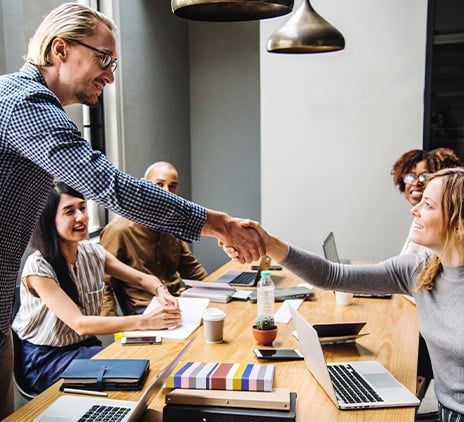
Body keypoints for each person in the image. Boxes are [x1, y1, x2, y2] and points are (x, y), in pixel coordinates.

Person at [0, 3, 263, 416]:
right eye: (103, 59)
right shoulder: (26, 103)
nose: (109, 74)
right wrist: (220, 224)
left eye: (114, 64)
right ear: (60, 50)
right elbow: (112, 187)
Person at [233, 167, 464, 421]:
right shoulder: (419, 270)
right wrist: (269, 244)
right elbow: (332, 276)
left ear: (458, 222)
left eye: (428, 205)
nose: (414, 210)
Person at [11, 182, 181, 394]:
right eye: (69, 212)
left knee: (150, 360)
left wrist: (161, 291)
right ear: (48, 220)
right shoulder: (37, 268)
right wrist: (146, 322)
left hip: (83, 348)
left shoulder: (92, 252)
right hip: (46, 360)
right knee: (136, 373)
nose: (81, 217)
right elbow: (80, 324)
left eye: (82, 208)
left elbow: (141, 280)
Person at [100, 161, 208, 316]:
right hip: (144, 312)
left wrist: (218, 296)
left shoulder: (171, 225)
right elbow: (103, 284)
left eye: (172, 186)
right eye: (159, 185)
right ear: (144, 186)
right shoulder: (119, 230)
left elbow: (192, 270)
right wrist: (114, 325)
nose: (167, 192)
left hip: (178, 303)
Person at [391, 147, 461, 255]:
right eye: (410, 177)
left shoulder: (438, 227)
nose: (416, 183)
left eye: (425, 176)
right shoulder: (418, 218)